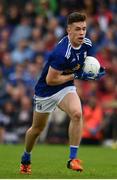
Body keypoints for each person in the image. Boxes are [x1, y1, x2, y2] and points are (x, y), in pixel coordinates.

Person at [20, 12, 105, 174]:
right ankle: (26, 156)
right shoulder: (60, 53)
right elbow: (51, 80)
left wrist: (94, 71)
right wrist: (77, 75)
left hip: (66, 87)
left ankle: (73, 159)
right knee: (37, 129)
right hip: (46, 91)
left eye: (84, 29)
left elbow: (85, 63)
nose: (81, 33)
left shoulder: (86, 44)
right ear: (69, 30)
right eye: (77, 29)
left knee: (77, 113)